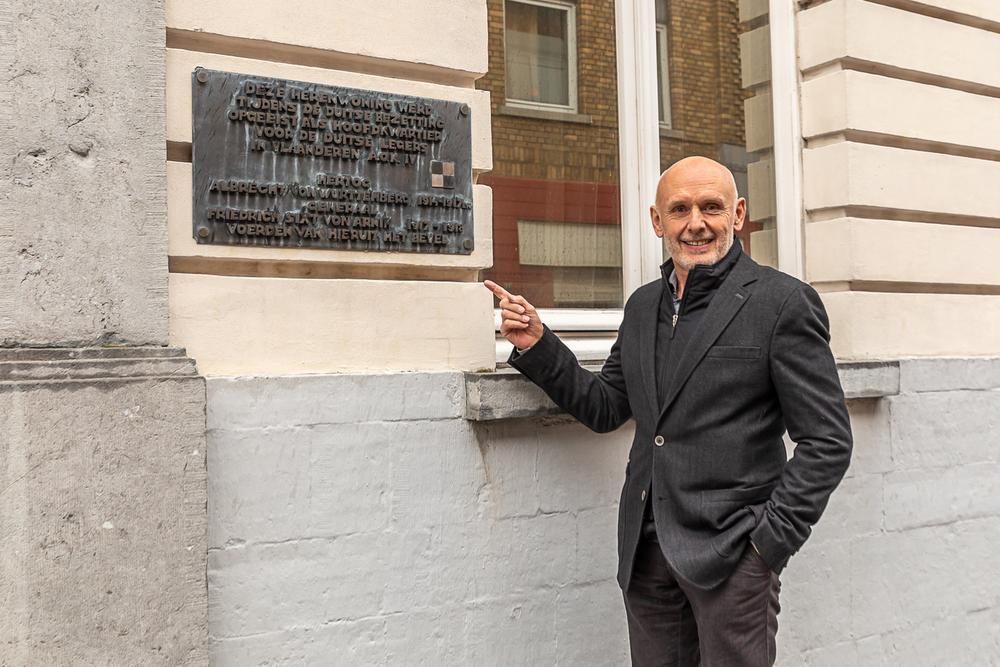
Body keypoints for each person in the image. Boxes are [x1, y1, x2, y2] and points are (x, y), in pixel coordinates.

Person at [484, 156, 852, 666]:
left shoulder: (783, 303)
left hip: (733, 555)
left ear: (738, 214)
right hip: (647, 553)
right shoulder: (641, 307)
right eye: (679, 209)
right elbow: (606, 407)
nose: (696, 222)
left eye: (711, 207)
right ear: (657, 221)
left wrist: (766, 546)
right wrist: (539, 344)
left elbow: (828, 442)